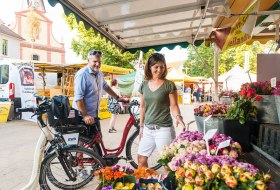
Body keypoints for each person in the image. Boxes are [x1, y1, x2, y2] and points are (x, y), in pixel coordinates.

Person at [137, 53, 186, 168]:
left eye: (162, 67)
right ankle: (145, 183)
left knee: (167, 163)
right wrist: (141, 127)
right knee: (141, 159)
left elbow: (173, 106)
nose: (159, 70)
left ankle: (168, 185)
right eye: (156, 67)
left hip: (164, 129)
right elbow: (143, 107)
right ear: (150, 67)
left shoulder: (169, 85)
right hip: (148, 129)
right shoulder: (143, 85)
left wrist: (178, 117)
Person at [72, 50, 121, 137]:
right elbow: (78, 98)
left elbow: (105, 86)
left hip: (94, 115)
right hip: (83, 117)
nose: (97, 64)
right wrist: (85, 115)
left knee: (97, 141)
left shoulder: (99, 73)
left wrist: (117, 98)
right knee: (82, 144)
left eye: (99, 62)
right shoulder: (82, 75)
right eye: (95, 61)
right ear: (88, 61)